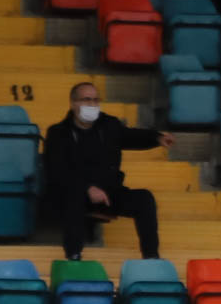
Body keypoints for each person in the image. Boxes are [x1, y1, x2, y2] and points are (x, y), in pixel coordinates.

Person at [42, 82, 174, 261]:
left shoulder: (109, 125)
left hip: (109, 194)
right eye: (86, 99)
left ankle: (151, 258)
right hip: (74, 194)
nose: (92, 104)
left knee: (144, 198)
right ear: (73, 103)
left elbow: (131, 136)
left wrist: (157, 138)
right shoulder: (58, 133)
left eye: (96, 100)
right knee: (72, 197)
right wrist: (87, 188)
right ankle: (73, 256)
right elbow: (57, 171)